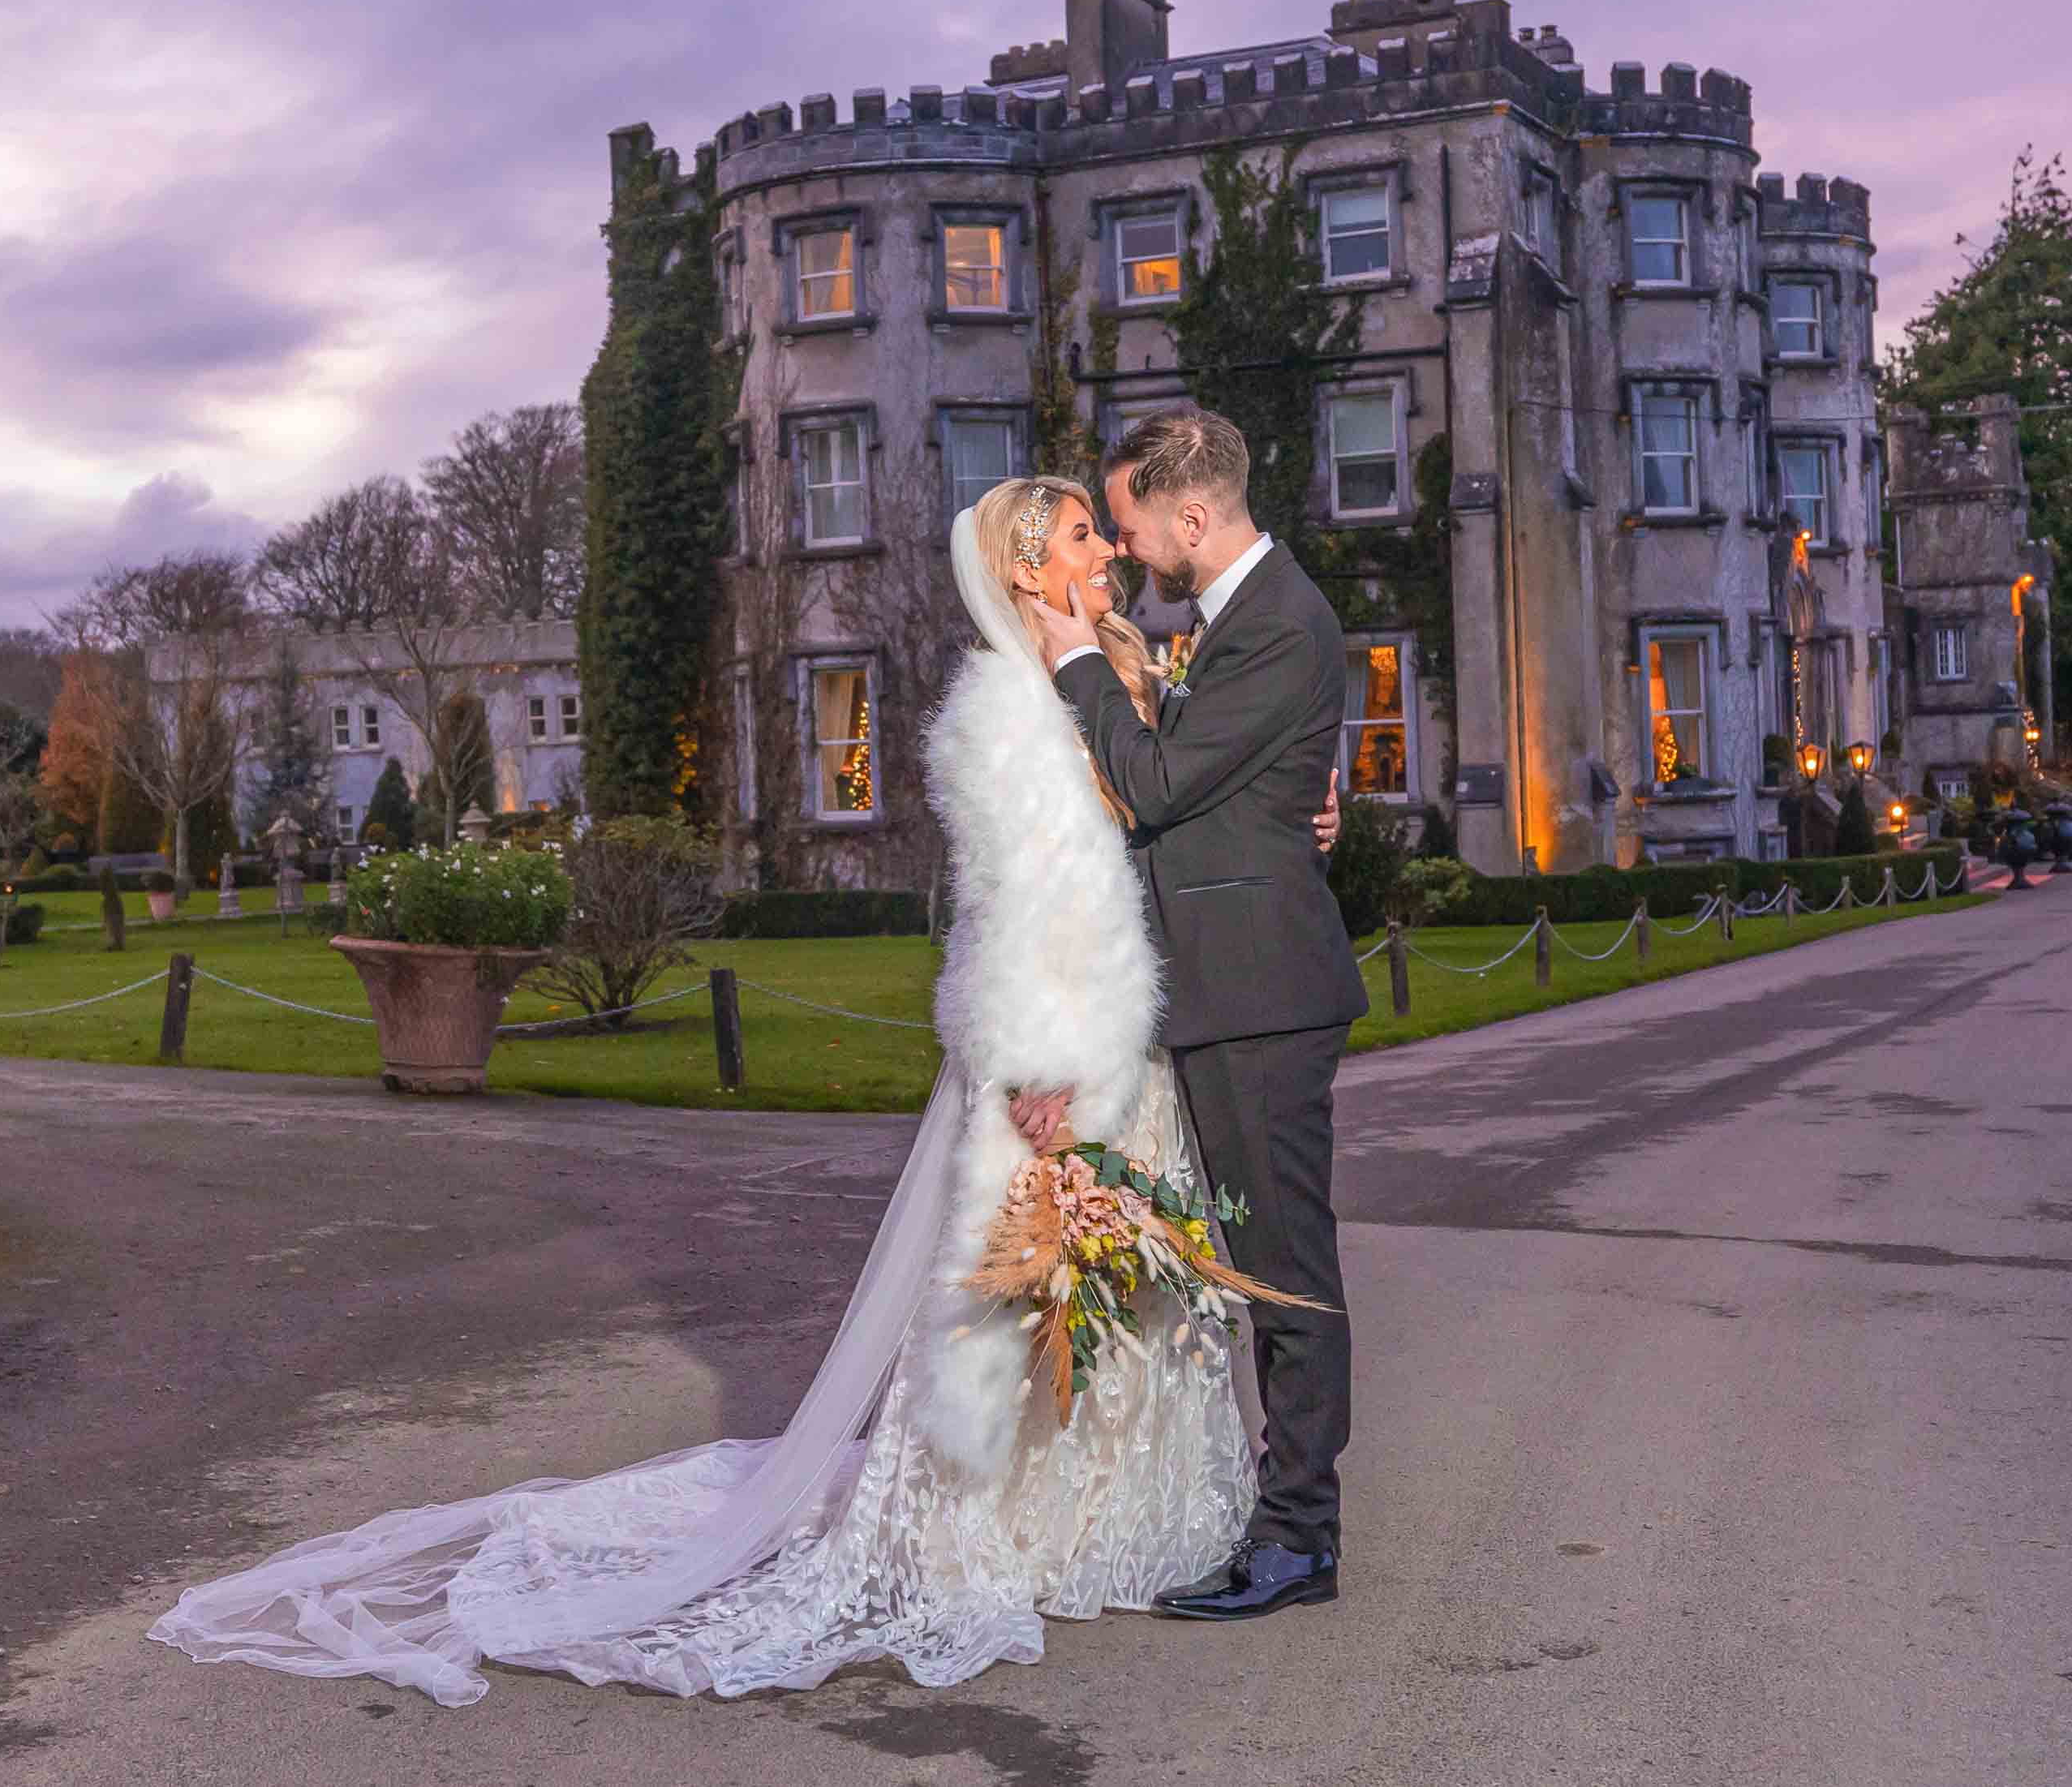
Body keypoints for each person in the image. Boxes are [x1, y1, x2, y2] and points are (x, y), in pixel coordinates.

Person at [147, 473, 1318, 1702]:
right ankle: (1023, 1530)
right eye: (1083, 535)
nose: (1109, 551)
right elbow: (1018, 902)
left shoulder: (1121, 675)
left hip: (1138, 1044)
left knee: (1134, 1297)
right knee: (1031, 1291)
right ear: (1027, 570)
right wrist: (1036, 1058)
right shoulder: (1004, 708)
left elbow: (1179, 810)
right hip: (1064, 1048)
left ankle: (1134, 1519)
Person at [1027, 406, 1369, 1622]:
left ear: (1190, 514)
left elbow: (1162, 782)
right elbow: (1227, 782)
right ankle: (1282, 1526)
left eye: (1129, 526)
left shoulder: (1276, 622)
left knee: (1284, 1274)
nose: (1124, 550)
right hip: (1227, 991)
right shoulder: (1238, 622)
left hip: (1261, 996)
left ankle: (1298, 1541)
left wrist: (1077, 662)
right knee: (1258, 1266)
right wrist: (1302, 803)